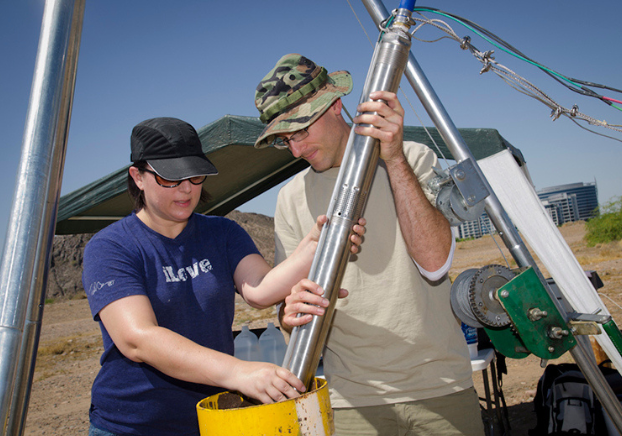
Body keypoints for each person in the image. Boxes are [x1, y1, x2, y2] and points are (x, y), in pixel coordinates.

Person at [82, 116, 365, 436]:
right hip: (132, 424)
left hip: (216, 420)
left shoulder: (223, 233)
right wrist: (238, 373)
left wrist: (312, 248)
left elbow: (259, 289)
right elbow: (138, 339)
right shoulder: (111, 247)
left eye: (195, 176)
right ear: (138, 177)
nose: (187, 189)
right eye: (170, 179)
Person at [253, 54, 484, 435]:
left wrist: (392, 159)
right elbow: (290, 315)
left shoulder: (412, 157)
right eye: (285, 140)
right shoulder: (291, 198)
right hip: (351, 404)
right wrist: (288, 314)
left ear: (334, 105)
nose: (296, 151)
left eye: (301, 131)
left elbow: (436, 264)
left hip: (439, 388)